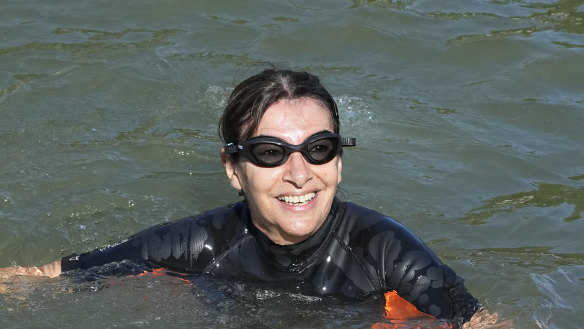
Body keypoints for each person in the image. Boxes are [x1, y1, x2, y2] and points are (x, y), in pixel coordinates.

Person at [1, 69, 487, 327]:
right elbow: (47, 279)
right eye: (270, 153)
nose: (300, 175)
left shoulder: (386, 253)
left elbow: (483, 324)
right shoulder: (203, 244)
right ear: (233, 169)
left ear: (338, 162)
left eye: (319, 150)